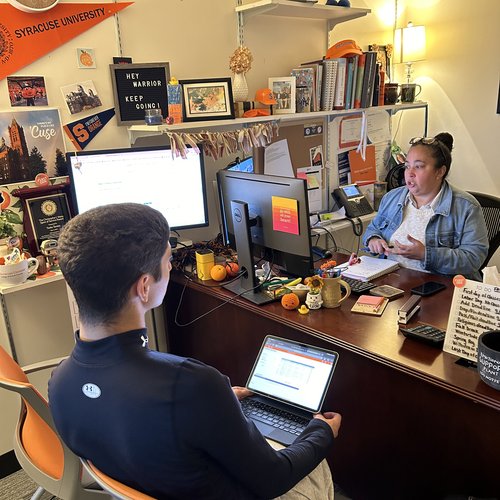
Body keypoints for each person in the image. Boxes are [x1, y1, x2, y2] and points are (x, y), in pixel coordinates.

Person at [48, 203, 342, 500]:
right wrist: (321, 431)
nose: (170, 267)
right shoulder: (192, 384)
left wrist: (216, 407)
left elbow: (132, 416)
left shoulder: (59, 383)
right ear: (144, 287)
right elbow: (274, 479)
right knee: (314, 461)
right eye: (168, 260)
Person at [363, 132, 488, 281]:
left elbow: (474, 258)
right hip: (391, 281)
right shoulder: (391, 198)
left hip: (440, 286)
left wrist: (426, 254)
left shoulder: (466, 207)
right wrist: (373, 239)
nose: (410, 173)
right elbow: (373, 229)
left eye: (418, 166)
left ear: (440, 172)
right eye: (407, 166)